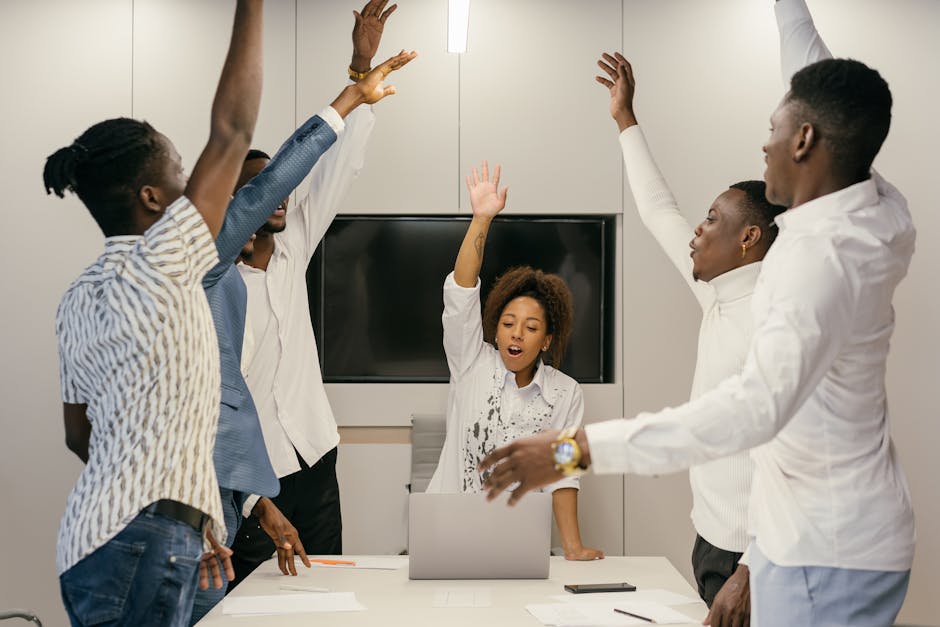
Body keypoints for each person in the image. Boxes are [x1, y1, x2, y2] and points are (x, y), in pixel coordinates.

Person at [480, 1, 916, 624]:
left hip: (820, 554)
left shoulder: (810, 274)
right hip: (844, 538)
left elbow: (743, 415)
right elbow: (807, 53)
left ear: (804, 140)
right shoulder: (875, 206)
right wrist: (628, 118)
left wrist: (571, 453)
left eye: (773, 127)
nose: (763, 144)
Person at [43, 1, 264, 624]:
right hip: (144, 540)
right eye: (179, 174)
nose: (195, 185)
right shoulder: (161, 260)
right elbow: (234, 131)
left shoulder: (78, 297)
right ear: (151, 198)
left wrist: (186, 510)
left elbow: (78, 433)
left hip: (95, 540)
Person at [189, 50, 415, 623]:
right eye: (266, 188)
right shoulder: (211, 285)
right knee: (256, 606)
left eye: (282, 185)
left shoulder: (293, 247)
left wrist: (361, 72)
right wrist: (251, 497)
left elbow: (340, 166)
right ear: (243, 203)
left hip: (314, 453)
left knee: (325, 595)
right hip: (253, 478)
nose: (281, 195)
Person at [595, 51, 785, 623]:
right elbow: (658, 209)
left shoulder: (777, 319)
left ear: (749, 237)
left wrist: (750, 570)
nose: (696, 232)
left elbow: (795, 460)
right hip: (711, 542)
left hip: (760, 559)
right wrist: (625, 119)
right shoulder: (718, 291)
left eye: (710, 221)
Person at [426, 161, 603, 561]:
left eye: (530, 326)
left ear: (547, 340)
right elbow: (461, 292)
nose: (516, 333)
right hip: (448, 530)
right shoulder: (471, 362)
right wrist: (481, 220)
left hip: (520, 539)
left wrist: (572, 547)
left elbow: (564, 470)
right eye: (508, 323)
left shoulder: (565, 393)